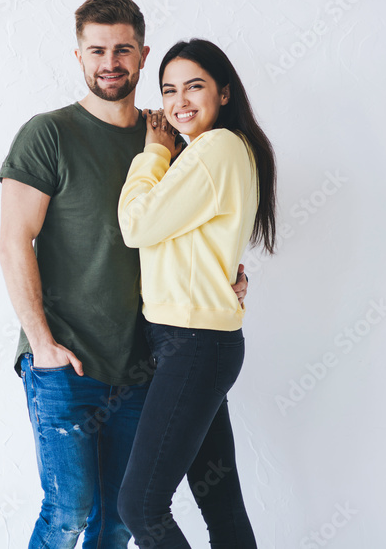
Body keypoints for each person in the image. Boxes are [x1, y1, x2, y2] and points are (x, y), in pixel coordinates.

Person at [0, 0, 250, 547]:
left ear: (142, 55)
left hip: (143, 364)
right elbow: (13, 241)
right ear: (79, 56)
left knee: (117, 520)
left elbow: (197, 228)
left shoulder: (172, 142)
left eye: (123, 50)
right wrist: (40, 342)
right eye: (97, 50)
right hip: (65, 359)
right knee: (70, 512)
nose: (110, 61)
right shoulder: (48, 134)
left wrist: (227, 272)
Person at [116, 39, 277, 548]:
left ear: (224, 92)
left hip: (193, 343)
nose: (179, 100)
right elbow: (190, 245)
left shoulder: (215, 148)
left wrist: (154, 152)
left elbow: (137, 225)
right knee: (221, 505)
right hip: (198, 342)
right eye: (168, 90)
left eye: (194, 86)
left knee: (140, 505)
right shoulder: (211, 151)